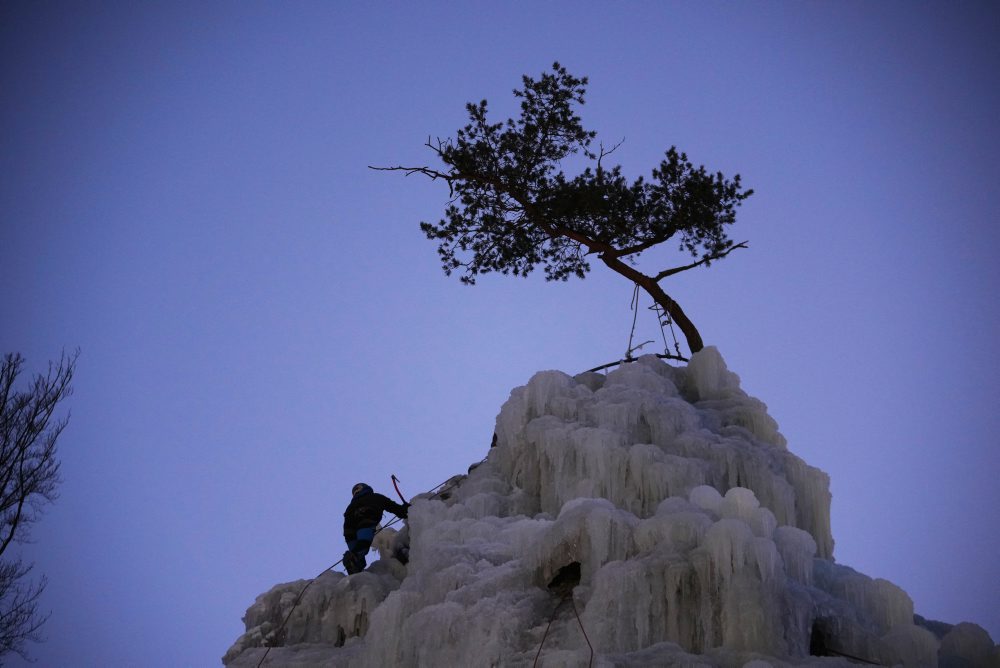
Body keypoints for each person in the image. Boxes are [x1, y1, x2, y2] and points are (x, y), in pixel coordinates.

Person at [342, 482, 409, 575]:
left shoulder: (350, 505)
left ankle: (355, 564)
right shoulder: (375, 497)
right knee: (363, 543)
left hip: (349, 530)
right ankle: (354, 560)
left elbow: (347, 521)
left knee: (357, 552)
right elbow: (393, 507)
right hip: (366, 519)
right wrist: (405, 510)